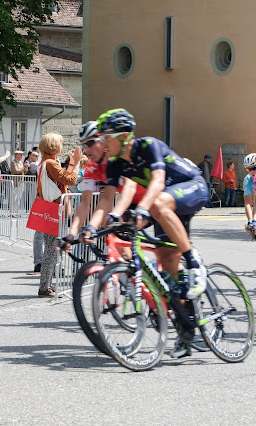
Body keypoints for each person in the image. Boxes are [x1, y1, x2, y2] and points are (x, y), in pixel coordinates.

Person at [89, 108, 209, 358]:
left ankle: (194, 263)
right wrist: (91, 227)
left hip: (190, 187)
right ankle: (187, 325)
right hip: (167, 205)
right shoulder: (115, 163)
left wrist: (143, 209)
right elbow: (106, 200)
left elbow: (156, 181)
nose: (101, 143)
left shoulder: (148, 146)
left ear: (123, 136)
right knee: (167, 263)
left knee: (155, 204)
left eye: (105, 137)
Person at [60, 121, 145, 261]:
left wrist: (115, 214)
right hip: (132, 204)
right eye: (83, 145)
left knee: (163, 255)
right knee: (114, 241)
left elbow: (129, 189)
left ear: (104, 142)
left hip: (151, 201)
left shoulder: (119, 160)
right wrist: (71, 234)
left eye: (91, 143)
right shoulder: (92, 168)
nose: (86, 149)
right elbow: (85, 203)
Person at [36, 133, 80, 297]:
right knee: (51, 250)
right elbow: (70, 180)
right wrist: (75, 166)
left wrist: (72, 164)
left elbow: (62, 179)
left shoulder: (45, 163)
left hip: (49, 209)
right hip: (54, 210)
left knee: (51, 248)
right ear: (54, 147)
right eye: (60, 144)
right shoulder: (51, 164)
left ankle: (46, 284)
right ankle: (43, 287)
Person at [243, 153, 256, 233]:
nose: (252, 171)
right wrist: (250, 221)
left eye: (254, 168)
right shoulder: (248, 179)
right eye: (248, 169)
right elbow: (248, 203)